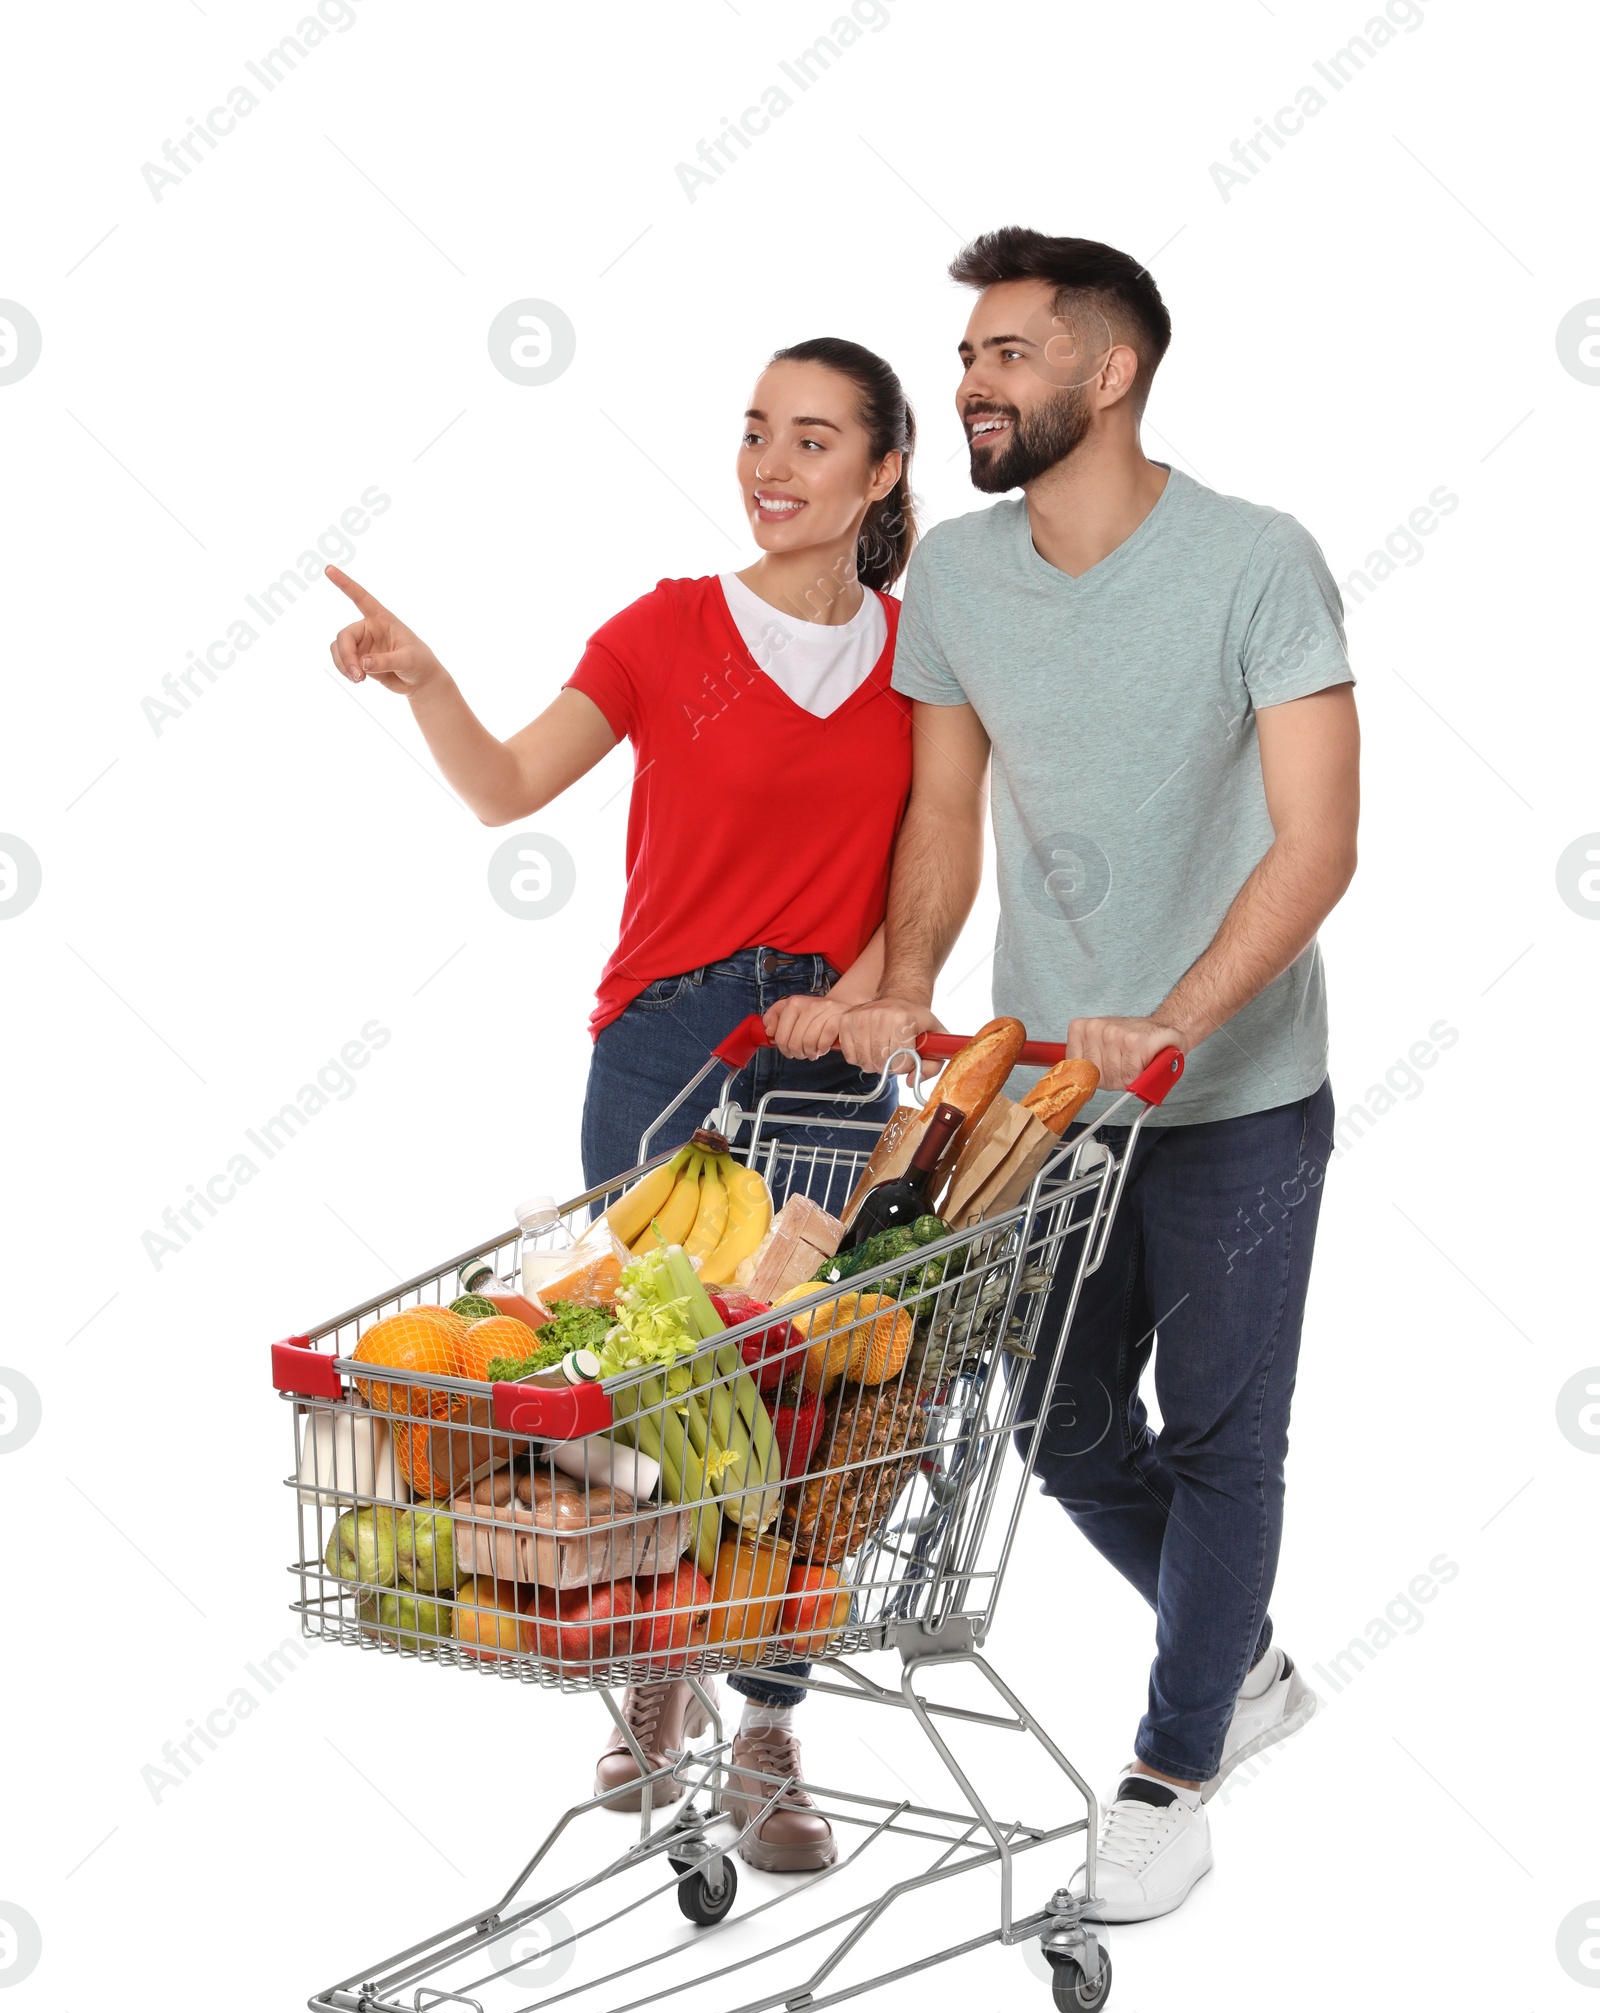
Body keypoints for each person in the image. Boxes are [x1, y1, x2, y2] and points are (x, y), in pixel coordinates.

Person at [326, 337, 921, 1876]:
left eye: (811, 440)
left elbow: (935, 872)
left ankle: (772, 1717)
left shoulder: (927, 661)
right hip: (666, 1048)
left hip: (841, 1055)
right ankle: (657, 1674)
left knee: (804, 1401)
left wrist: (864, 1000)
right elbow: (508, 785)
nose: (769, 468)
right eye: (752, 434)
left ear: (883, 472)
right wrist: (434, 685)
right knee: (651, 1374)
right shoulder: (666, 631)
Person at [837, 230, 1359, 1922]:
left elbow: (1319, 837)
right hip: (1046, 1105)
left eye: (1004, 355)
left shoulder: (1257, 561)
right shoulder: (967, 587)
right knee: (1056, 1429)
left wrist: (1184, 1013)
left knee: (1222, 1442)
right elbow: (938, 812)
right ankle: (1244, 1660)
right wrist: (904, 981)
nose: (972, 384)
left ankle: (1172, 1765)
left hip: (1236, 1101)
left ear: (1106, 373)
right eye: (969, 358)